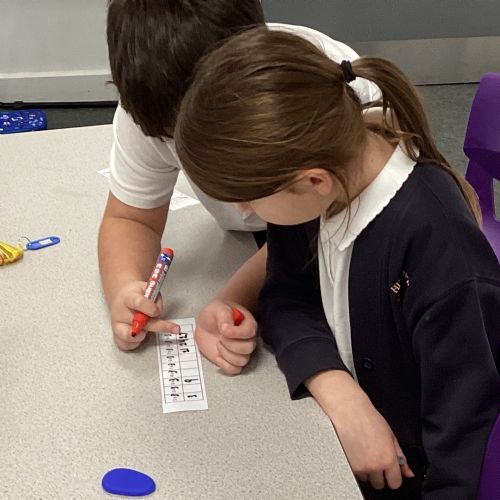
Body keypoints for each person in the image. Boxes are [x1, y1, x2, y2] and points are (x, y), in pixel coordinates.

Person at [174, 26, 500, 498]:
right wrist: (339, 392)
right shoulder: (322, 178)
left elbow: (463, 447)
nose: (243, 211)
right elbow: (286, 296)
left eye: (248, 198)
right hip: (342, 444)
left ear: (313, 181)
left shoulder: (440, 255)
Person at [98, 0, 378, 363]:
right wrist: (125, 289)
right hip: (267, 241)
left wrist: (233, 296)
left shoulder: (329, 99)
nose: (236, 201)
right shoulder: (153, 99)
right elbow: (130, 218)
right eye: (175, 140)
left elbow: (312, 240)